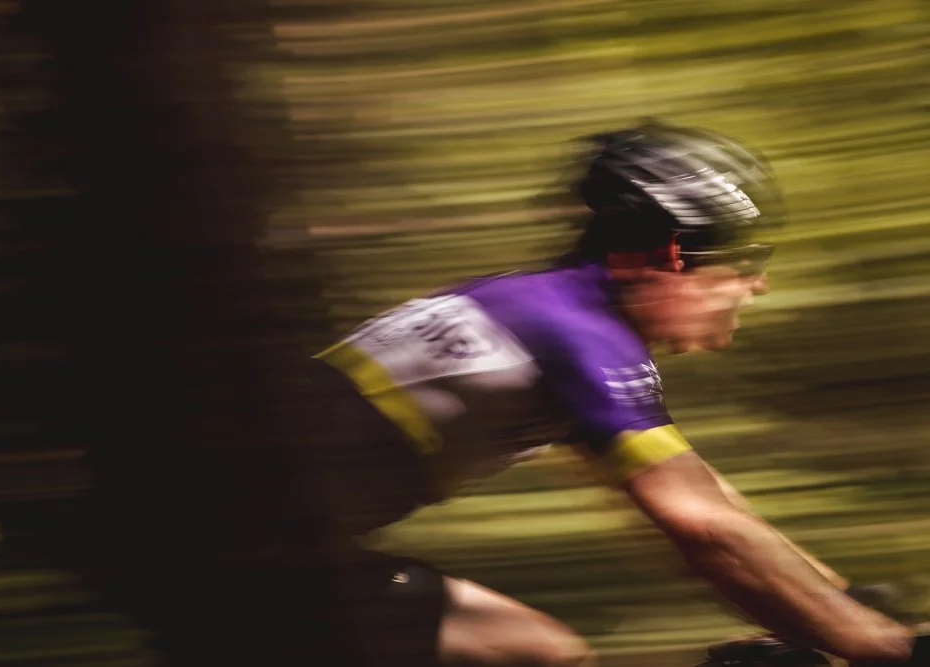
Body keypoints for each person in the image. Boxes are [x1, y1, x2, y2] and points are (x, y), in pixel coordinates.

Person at [301, 120, 927, 667]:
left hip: (269, 539)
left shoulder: (543, 306)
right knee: (524, 652)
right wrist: (880, 647)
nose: (757, 285)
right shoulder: (581, 334)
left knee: (530, 651)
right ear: (676, 256)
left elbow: (709, 500)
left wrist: (840, 603)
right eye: (747, 260)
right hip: (242, 546)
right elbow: (701, 529)